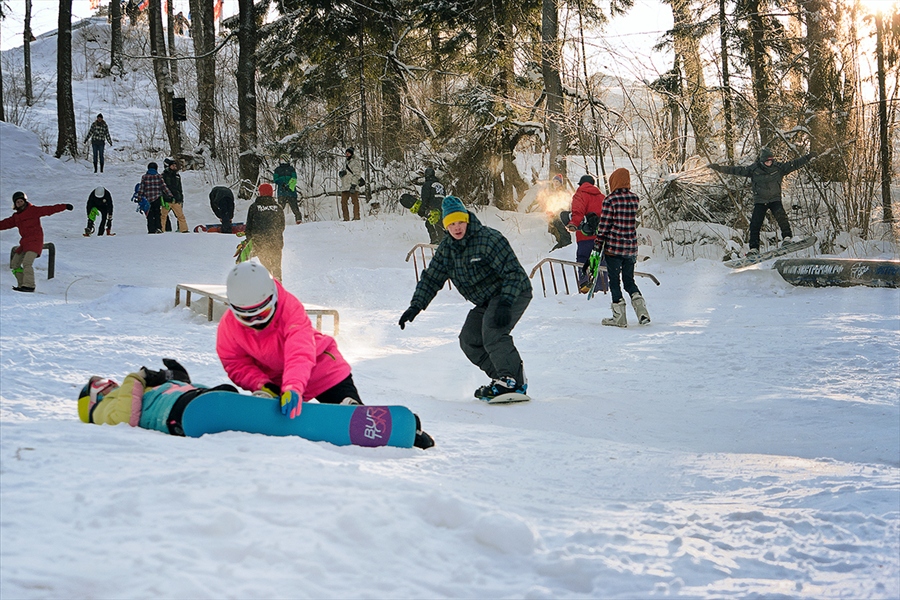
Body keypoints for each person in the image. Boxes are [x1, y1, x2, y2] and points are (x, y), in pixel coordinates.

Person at [216, 262, 434, 448]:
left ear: (272, 299)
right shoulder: (229, 328)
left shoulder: (289, 308)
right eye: (247, 317)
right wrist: (262, 385)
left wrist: (293, 386)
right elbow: (235, 363)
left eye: (262, 313)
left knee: (353, 419)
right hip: (278, 384)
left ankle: (405, 430)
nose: (257, 322)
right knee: (273, 410)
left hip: (322, 370)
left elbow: (299, 352)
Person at [398, 196, 533, 400]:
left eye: (460, 221)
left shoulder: (488, 239)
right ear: (446, 226)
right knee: (469, 339)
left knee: (493, 330)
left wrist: (506, 302)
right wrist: (415, 306)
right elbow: (431, 279)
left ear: (467, 220)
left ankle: (512, 380)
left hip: (513, 290)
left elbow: (513, 273)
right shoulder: (447, 250)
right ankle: (502, 379)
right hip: (487, 299)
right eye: (451, 223)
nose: (457, 227)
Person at [77, 359, 236, 435]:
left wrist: (178, 379)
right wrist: (135, 378)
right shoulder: (100, 411)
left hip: (179, 402)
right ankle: (217, 405)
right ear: (92, 399)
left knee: (221, 393)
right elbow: (124, 420)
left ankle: (222, 403)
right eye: (101, 383)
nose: (111, 382)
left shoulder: (124, 394)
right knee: (210, 399)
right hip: (170, 412)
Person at [708, 147, 816, 255]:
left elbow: (795, 164)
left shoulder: (779, 168)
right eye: (767, 161)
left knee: (782, 218)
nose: (769, 163)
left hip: (775, 199)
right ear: (762, 161)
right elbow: (737, 170)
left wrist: (808, 157)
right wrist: (719, 168)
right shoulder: (754, 169)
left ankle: (787, 238)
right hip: (760, 201)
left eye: (771, 161)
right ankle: (754, 248)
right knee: (755, 224)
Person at [594, 168, 650, 327]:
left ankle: (619, 317)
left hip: (613, 249)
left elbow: (604, 226)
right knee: (629, 280)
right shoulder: (634, 198)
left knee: (614, 281)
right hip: (631, 248)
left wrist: (598, 243)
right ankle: (642, 312)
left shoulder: (610, 200)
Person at [0, 191, 73, 292]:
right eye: (17, 202)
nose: (19, 203)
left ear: (25, 201)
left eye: (21, 201)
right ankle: (22, 284)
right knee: (15, 264)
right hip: (25, 243)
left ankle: (29, 285)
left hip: (35, 241)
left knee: (27, 263)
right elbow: (5, 224)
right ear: (15, 205)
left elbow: (49, 209)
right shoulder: (16, 217)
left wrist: (64, 206)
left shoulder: (33, 210)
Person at [566, 175, 608, 294]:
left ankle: (585, 284)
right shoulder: (602, 197)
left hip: (585, 236)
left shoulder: (580, 195)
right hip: (601, 236)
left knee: (583, 258)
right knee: (600, 260)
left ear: (581, 184)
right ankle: (602, 287)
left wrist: (573, 224)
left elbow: (578, 212)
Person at [245, 183, 285, 280]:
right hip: (275, 242)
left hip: (260, 243)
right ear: (271, 193)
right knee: (276, 267)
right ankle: (278, 284)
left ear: (260, 193)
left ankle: (268, 283)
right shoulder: (278, 208)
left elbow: (249, 227)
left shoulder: (254, 207)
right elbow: (282, 226)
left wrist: (250, 240)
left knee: (266, 267)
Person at [138, 161, 171, 234]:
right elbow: (164, 187)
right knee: (157, 214)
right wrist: (169, 194)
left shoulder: (144, 177)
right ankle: (158, 228)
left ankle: (151, 229)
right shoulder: (158, 176)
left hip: (148, 199)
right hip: (157, 198)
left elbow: (142, 188)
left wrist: (139, 197)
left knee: (149, 215)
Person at [161, 157, 189, 233]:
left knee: (180, 216)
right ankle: (161, 230)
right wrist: (164, 197)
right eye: (173, 165)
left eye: (175, 166)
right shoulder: (163, 176)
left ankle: (184, 229)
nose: (175, 167)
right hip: (167, 200)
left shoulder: (177, 176)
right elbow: (162, 188)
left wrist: (180, 198)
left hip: (176, 199)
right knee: (163, 216)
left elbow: (179, 188)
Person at [418, 167, 445, 244]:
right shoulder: (441, 185)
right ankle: (442, 239)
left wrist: (422, 209)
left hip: (432, 207)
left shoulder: (427, 184)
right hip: (442, 207)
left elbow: (425, 197)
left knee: (430, 222)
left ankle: (435, 240)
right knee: (440, 223)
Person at [338, 147, 363, 221]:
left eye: (348, 153)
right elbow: (347, 173)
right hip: (345, 185)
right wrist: (342, 174)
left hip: (353, 185)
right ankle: (346, 218)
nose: (347, 154)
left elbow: (357, 174)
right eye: (346, 153)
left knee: (355, 201)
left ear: (351, 154)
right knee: (343, 202)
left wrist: (354, 185)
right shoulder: (346, 162)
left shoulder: (355, 162)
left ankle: (356, 217)